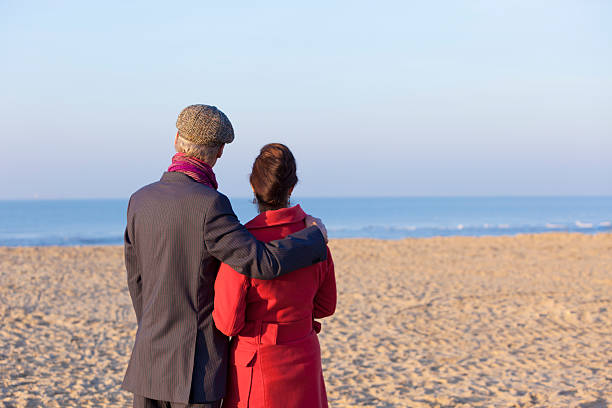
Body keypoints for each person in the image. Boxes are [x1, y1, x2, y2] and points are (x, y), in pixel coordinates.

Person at [122, 105, 329, 408]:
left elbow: (135, 280)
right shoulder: (211, 204)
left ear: (177, 139)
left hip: (148, 362)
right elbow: (261, 261)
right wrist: (314, 238)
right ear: (219, 152)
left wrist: (154, 331)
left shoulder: (139, 200)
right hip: (196, 371)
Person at [213, 143, 336, 408]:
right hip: (304, 352)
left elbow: (228, 323)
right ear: (292, 187)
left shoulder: (244, 244)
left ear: (253, 187)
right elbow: (326, 306)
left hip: (259, 360)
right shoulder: (314, 236)